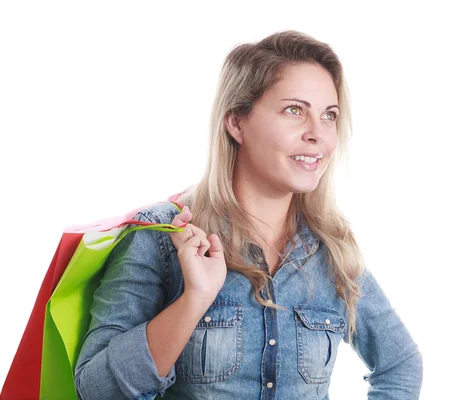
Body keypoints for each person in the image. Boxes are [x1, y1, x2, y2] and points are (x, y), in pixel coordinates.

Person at [74, 30, 423, 399]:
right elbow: (95, 390)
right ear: (237, 122)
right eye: (294, 110)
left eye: (329, 115)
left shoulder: (333, 251)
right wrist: (194, 299)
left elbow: (400, 365)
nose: (318, 134)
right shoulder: (161, 235)